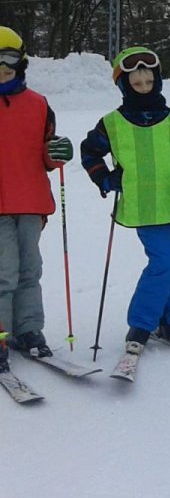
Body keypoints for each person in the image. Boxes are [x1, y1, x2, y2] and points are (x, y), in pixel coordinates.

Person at [80, 47, 170, 357]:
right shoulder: (113, 123)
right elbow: (90, 152)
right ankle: (141, 324)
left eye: (149, 82)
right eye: (137, 84)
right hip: (144, 209)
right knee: (164, 265)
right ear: (124, 86)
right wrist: (105, 178)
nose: (144, 88)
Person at [0, 27, 74, 361]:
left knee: (30, 269)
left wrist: (55, 153)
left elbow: (45, 154)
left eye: (9, 59)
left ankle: (28, 328)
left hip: (30, 201)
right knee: (4, 272)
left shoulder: (38, 104)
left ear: (21, 61)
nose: (3, 68)